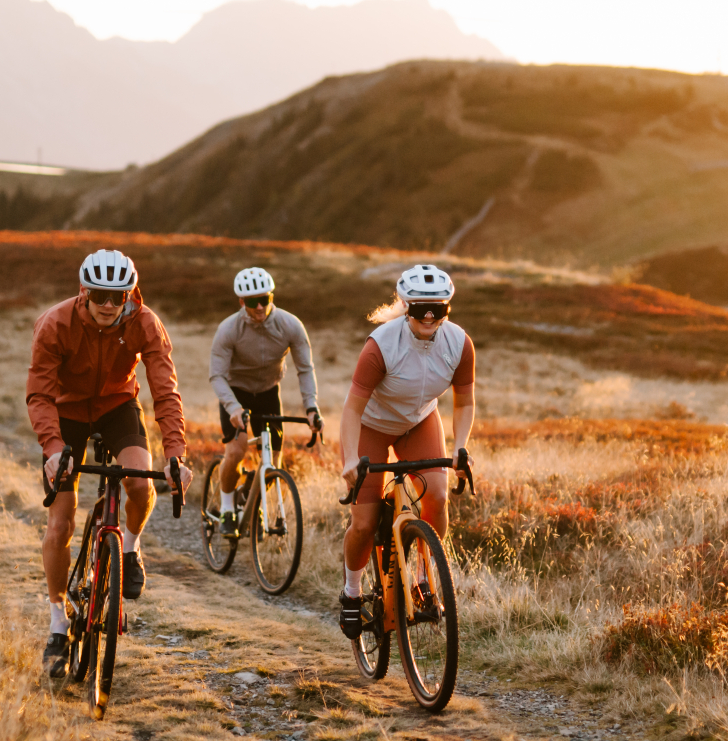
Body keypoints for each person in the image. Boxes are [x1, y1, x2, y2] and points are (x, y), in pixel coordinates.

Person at [27, 248, 192, 678]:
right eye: (98, 294)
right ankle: (58, 623)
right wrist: (52, 449)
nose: (106, 304)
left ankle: (131, 548)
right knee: (61, 524)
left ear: (129, 295)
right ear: (83, 292)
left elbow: (165, 391)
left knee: (141, 483)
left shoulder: (145, 323)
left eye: (116, 297)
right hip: (66, 413)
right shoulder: (55, 324)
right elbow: (40, 395)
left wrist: (175, 454)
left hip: (118, 406)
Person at [336, 263, 475, 640]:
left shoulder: (459, 343)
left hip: (418, 422)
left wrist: (460, 449)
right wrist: (351, 458)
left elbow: (464, 403)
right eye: (418, 309)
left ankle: (426, 576)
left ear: (447, 308)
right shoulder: (381, 345)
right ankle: (351, 593)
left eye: (438, 310)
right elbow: (351, 409)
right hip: (372, 426)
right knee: (364, 524)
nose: (428, 317)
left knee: (439, 495)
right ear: (404, 305)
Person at [209, 266, 322, 535]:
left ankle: (249, 497)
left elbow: (305, 369)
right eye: (251, 302)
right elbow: (217, 376)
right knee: (236, 452)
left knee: (273, 464)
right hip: (235, 392)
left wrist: (311, 407)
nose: (259, 307)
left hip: (269, 393)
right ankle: (226, 508)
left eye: (265, 299)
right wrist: (233, 408)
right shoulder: (228, 329)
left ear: (272, 297)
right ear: (241, 302)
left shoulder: (290, 325)